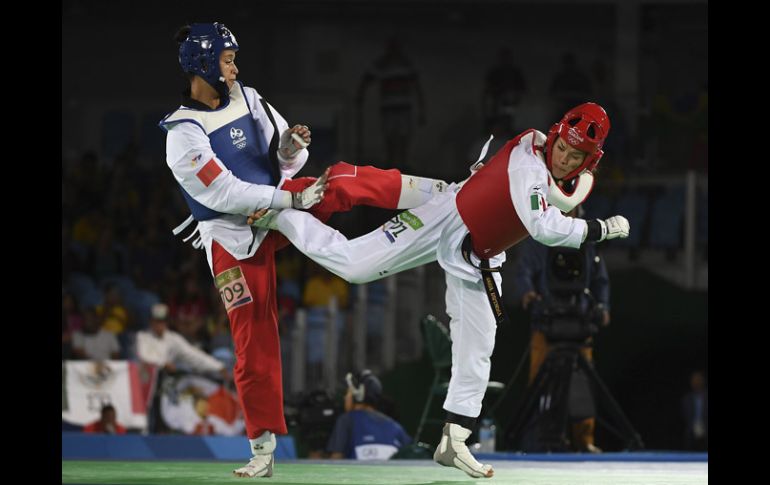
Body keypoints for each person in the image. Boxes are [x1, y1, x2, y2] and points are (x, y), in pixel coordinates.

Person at [250, 102, 630, 478]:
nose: (563, 158)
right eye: (562, 146)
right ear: (555, 135)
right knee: (355, 266)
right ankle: (283, 215)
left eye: (574, 154)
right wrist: (601, 229)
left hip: (480, 254)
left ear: (588, 160)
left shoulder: (553, 168)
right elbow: (545, 228)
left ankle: (454, 439)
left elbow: (559, 196)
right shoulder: (529, 162)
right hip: (446, 219)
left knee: (478, 347)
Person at [158, 22, 447, 478]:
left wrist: (291, 148)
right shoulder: (182, 134)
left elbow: (283, 159)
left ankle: (441, 192)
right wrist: (289, 198)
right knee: (253, 339)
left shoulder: (249, 97)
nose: (235, 68)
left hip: (279, 200)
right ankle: (262, 449)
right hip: (233, 236)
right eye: (227, 60)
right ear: (201, 65)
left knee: (342, 178)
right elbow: (225, 193)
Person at [512, 209, 610, 453]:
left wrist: (603, 306)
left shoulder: (586, 237)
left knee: (583, 385)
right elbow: (524, 269)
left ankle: (584, 441)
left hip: (579, 321)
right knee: (539, 384)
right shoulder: (539, 235)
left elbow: (600, 278)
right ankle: (536, 441)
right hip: (546, 324)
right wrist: (528, 294)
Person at [326, 369, 412, 460]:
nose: (346, 397)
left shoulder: (346, 420)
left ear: (358, 395)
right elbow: (411, 456)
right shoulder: (396, 427)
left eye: (348, 393)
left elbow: (336, 460)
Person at [135, 303, 227, 377]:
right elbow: (144, 357)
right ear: (151, 321)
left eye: (163, 320)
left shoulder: (173, 338)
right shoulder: (142, 337)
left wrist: (218, 366)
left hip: (165, 382)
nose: (160, 324)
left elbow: (193, 355)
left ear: (167, 321)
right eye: (157, 320)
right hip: (146, 383)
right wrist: (163, 364)